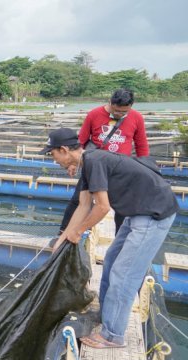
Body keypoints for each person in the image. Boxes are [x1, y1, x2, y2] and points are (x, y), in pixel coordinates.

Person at [41, 128, 177, 349]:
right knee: (111, 261)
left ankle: (113, 335)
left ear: (64, 150)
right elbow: (84, 206)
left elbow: (102, 207)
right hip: (137, 212)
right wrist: (64, 236)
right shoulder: (88, 163)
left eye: (53, 154)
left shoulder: (94, 161)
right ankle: (106, 314)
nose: (54, 159)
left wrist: (79, 231)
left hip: (154, 214)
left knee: (123, 275)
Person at [60, 89, 149, 234]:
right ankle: (63, 232)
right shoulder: (94, 114)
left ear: (131, 106)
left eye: (123, 112)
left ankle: (120, 239)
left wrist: (146, 167)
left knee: (123, 207)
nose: (119, 114)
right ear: (110, 102)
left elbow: (141, 145)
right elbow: (80, 141)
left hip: (120, 170)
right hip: (93, 166)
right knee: (78, 200)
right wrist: (72, 162)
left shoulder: (136, 118)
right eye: (116, 110)